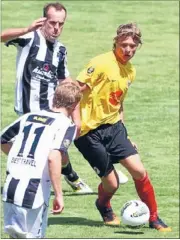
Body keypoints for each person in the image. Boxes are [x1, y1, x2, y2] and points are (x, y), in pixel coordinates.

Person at [74, 23, 171, 231]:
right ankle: (103, 204)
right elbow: (75, 90)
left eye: (133, 46)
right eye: (124, 44)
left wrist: (124, 134)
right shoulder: (100, 63)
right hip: (89, 133)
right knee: (112, 184)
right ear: (116, 41)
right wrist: (75, 123)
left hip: (114, 128)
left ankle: (154, 218)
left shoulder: (130, 71)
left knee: (139, 170)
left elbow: (118, 102)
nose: (128, 50)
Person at [1, 2, 93, 194]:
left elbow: (64, 80)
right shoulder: (28, 37)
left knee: (56, 149)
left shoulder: (60, 50)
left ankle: (68, 177)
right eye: (52, 23)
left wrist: (76, 116)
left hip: (52, 110)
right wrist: (26, 28)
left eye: (61, 24)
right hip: (26, 109)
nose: (56, 28)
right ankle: (63, 176)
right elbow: (2, 36)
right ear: (43, 20)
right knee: (9, 142)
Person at [1, 81, 83, 238]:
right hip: (34, 191)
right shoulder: (66, 125)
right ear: (73, 105)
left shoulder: (28, 116)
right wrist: (59, 194)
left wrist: (20, 156)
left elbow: (3, 139)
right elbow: (54, 157)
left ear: (54, 98)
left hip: (10, 187)